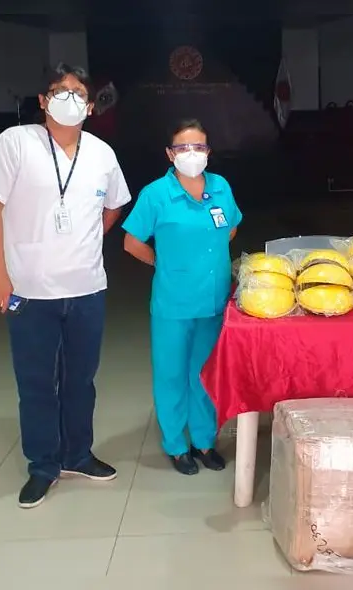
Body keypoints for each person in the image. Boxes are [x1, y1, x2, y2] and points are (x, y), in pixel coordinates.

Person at [0, 63, 133, 508]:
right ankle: (43, 464)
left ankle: (78, 454)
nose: (69, 97)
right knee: (37, 383)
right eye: (59, 90)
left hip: (86, 289)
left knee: (81, 379)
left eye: (78, 92)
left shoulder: (101, 153)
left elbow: (114, 206)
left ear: (89, 104)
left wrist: (83, 240)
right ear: (42, 101)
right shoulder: (15, 143)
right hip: (28, 289)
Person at [121, 119, 242, 475]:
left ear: (209, 152)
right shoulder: (156, 194)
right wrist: (162, 262)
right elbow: (131, 242)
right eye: (183, 148)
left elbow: (231, 226)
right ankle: (176, 444)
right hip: (173, 303)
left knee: (204, 373)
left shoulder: (220, 187)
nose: (192, 154)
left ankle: (205, 441)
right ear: (170, 154)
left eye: (199, 147)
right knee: (172, 373)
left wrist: (209, 256)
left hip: (214, 301)